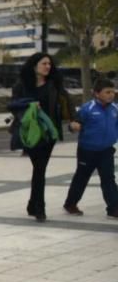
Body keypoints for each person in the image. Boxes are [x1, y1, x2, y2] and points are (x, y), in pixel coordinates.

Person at [10, 52, 73, 221]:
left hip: (49, 132)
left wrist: (74, 120)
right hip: (30, 133)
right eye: (44, 63)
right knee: (39, 168)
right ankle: (37, 207)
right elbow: (12, 104)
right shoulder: (22, 85)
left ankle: (36, 206)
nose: (48, 67)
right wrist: (29, 103)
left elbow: (67, 100)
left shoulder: (54, 84)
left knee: (39, 169)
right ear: (34, 66)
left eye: (49, 64)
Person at [63, 76, 118, 218]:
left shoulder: (115, 109)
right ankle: (70, 204)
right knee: (81, 178)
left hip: (106, 151)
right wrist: (72, 126)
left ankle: (114, 208)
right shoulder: (87, 109)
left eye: (112, 92)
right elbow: (73, 124)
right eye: (107, 92)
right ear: (97, 93)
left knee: (108, 179)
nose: (111, 95)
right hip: (87, 151)